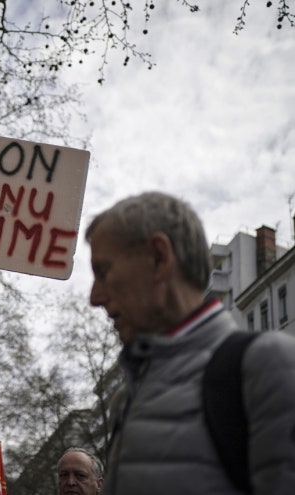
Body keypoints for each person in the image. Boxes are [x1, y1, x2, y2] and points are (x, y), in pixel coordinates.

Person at [85, 191, 295, 495]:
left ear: (159, 258)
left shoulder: (268, 365)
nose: (94, 297)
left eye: (103, 272)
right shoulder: (125, 400)